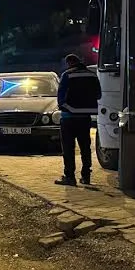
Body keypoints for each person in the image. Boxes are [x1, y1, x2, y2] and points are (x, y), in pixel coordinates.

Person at [55, 53, 101, 186]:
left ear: (69, 62)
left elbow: (61, 97)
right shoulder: (92, 75)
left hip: (69, 117)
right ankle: (86, 176)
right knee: (85, 148)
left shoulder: (67, 75)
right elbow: (98, 94)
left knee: (68, 149)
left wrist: (66, 106)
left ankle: (70, 177)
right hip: (85, 117)